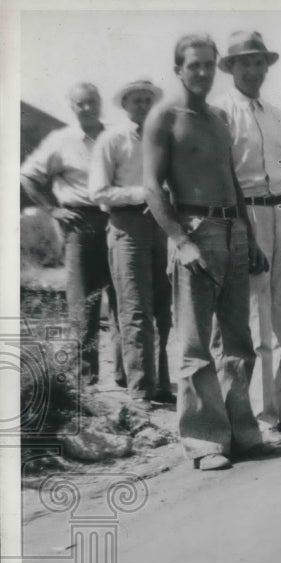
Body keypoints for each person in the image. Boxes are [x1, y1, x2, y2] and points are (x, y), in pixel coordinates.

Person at [143, 33, 271, 471]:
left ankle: (241, 431)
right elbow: (151, 187)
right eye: (193, 65)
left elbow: (231, 180)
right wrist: (181, 241)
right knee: (196, 342)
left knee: (238, 339)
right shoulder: (164, 116)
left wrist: (249, 234)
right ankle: (203, 440)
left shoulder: (217, 118)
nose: (201, 72)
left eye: (207, 65)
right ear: (178, 68)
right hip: (195, 228)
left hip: (232, 227)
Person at [216, 31, 281, 441]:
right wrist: (243, 231)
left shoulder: (277, 115)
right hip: (250, 214)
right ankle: (263, 418)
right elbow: (226, 176)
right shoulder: (222, 113)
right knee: (258, 322)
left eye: (259, 62)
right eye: (245, 63)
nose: (253, 70)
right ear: (232, 68)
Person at [21, 83, 123, 387]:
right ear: (72, 106)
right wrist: (53, 210)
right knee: (83, 302)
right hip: (80, 222)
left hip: (117, 220)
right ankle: (86, 379)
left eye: (92, 101)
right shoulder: (61, 139)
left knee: (123, 298)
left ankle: (126, 375)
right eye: (81, 104)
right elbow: (29, 175)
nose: (88, 108)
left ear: (100, 102)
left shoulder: (116, 136)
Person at [88, 78, 172, 407]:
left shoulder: (163, 139)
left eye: (147, 99)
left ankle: (162, 384)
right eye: (135, 100)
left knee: (163, 310)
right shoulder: (111, 140)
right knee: (135, 308)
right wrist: (142, 194)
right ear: (124, 105)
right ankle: (140, 389)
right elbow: (98, 191)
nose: (142, 105)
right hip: (127, 224)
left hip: (162, 224)